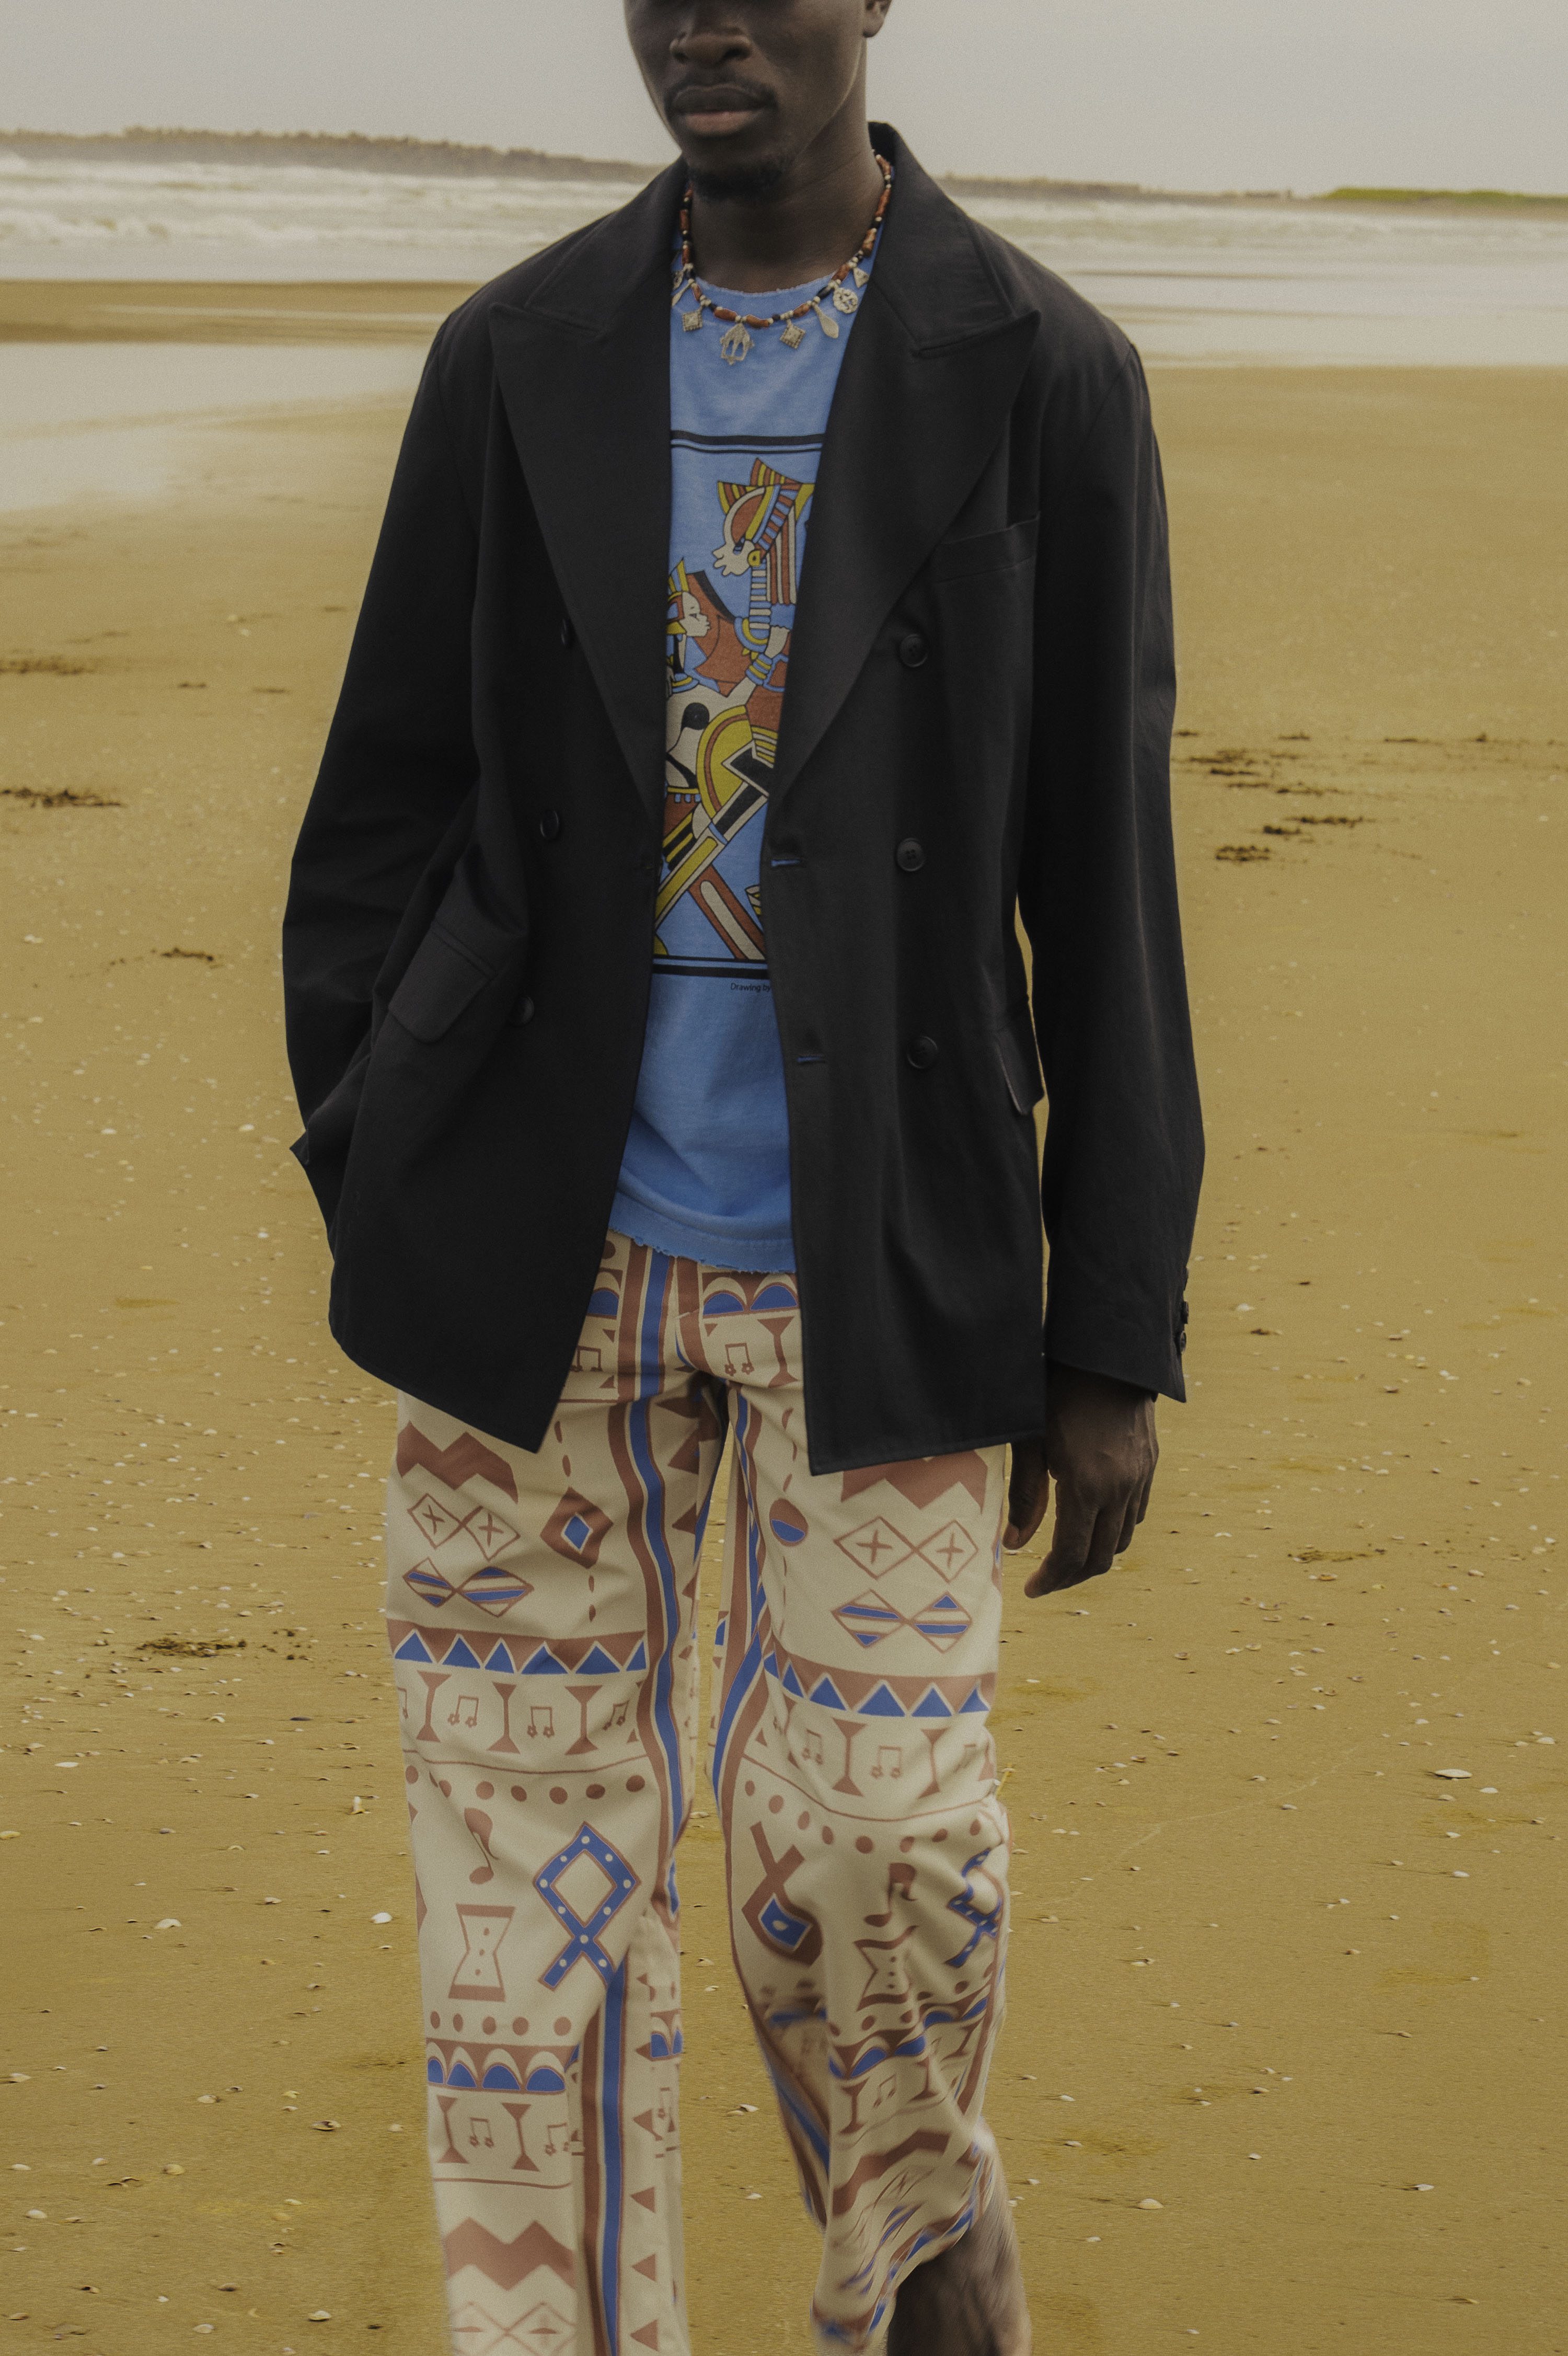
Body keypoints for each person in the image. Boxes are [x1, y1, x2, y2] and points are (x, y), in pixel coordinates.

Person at [282, 4, 1203, 2350]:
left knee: (875, 1848)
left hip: (882, 1260)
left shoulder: (1046, 376)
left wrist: (1112, 1322)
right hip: (533, 1267)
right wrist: (384, 1151)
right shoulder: (519, 356)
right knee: (525, 1932)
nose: (699, 15)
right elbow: (385, 791)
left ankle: (916, 2228)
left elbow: (1104, 873)